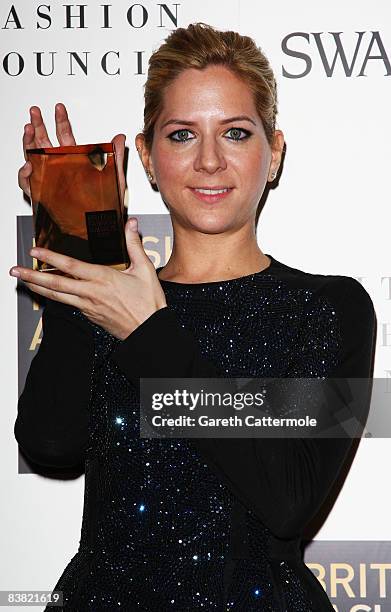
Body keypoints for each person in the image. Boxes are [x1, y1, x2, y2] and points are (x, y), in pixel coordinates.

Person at [11, 22, 376, 612]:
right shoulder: (112, 301)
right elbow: (50, 443)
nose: (209, 160)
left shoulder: (328, 309)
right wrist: (81, 245)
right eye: (182, 135)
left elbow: (287, 502)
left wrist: (151, 334)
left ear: (274, 151)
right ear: (148, 159)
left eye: (235, 132)